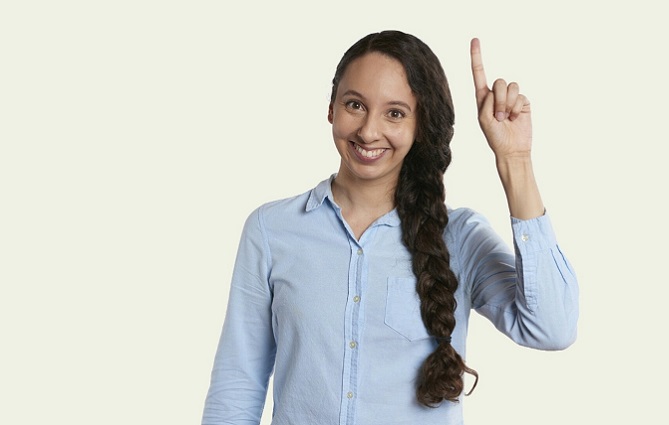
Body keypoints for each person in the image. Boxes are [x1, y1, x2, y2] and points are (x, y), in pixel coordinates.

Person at [201, 30, 579, 425]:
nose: (368, 131)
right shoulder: (270, 230)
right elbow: (237, 387)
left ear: (420, 124)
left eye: (395, 113)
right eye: (355, 105)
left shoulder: (459, 237)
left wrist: (515, 160)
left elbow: (552, 328)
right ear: (331, 108)